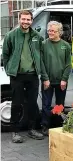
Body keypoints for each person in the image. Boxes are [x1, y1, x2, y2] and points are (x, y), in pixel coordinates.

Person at [2, 10, 45, 142]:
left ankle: (32, 129)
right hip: (17, 76)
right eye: (23, 19)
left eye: (28, 19)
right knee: (16, 104)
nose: (26, 22)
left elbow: (40, 55)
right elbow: (6, 54)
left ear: (31, 21)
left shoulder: (37, 36)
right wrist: (10, 69)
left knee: (32, 103)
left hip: (32, 75)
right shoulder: (11, 35)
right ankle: (15, 131)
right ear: (19, 19)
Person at [40, 21, 71, 136]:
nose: (50, 33)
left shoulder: (66, 46)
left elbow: (68, 64)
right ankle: (45, 126)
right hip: (47, 80)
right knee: (46, 104)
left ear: (60, 32)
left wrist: (64, 79)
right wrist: (45, 78)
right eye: (49, 30)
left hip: (61, 81)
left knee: (60, 104)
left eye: (53, 31)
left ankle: (59, 126)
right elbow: (41, 63)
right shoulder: (43, 44)